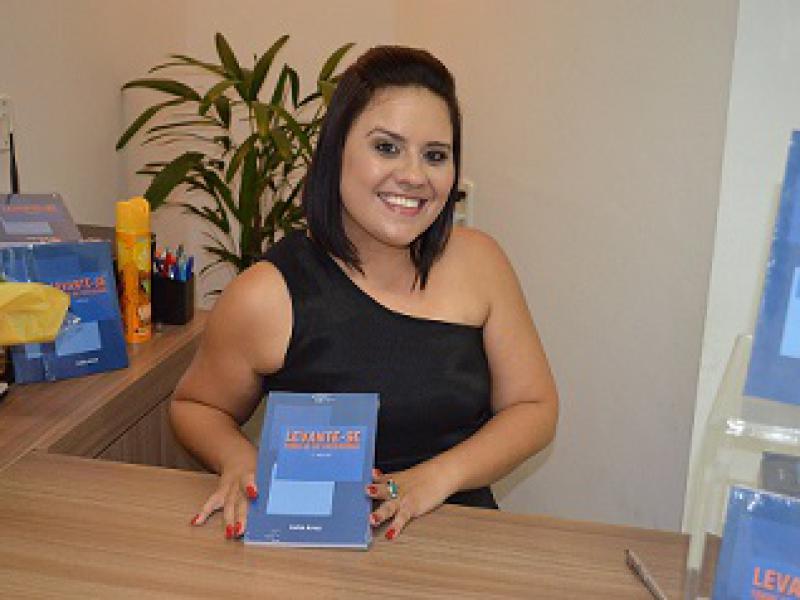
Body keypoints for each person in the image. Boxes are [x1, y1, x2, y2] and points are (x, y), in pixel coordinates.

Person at [170, 45, 558, 542]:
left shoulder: (482, 262)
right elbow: (197, 406)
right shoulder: (266, 294)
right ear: (336, 152)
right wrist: (239, 459)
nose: (414, 176)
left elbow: (533, 407)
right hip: (316, 549)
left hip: (460, 541)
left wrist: (434, 479)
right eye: (387, 148)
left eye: (435, 155)